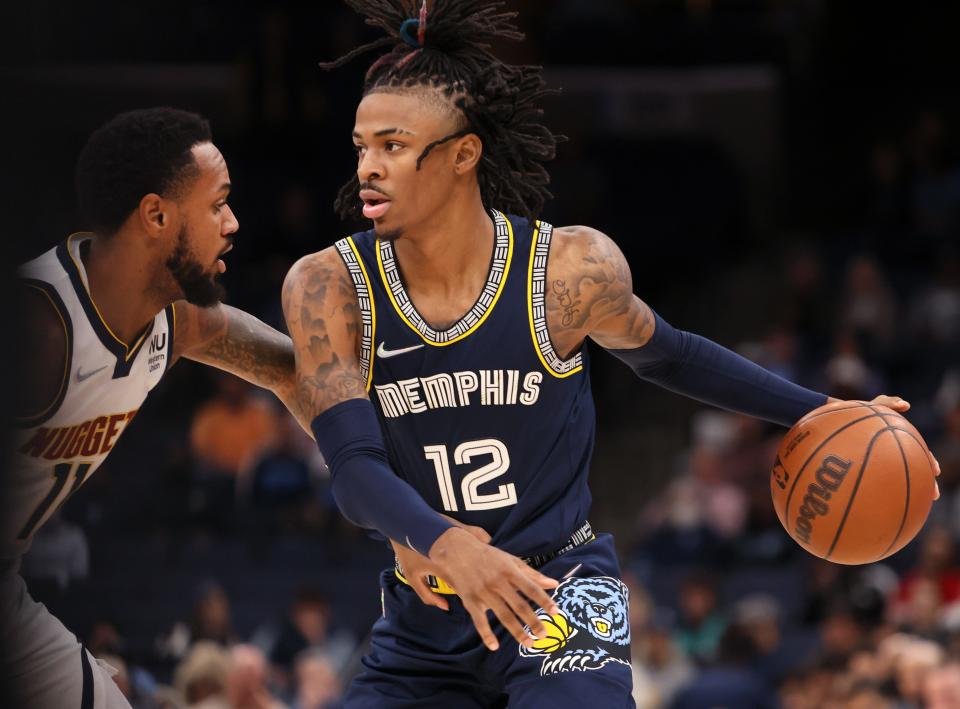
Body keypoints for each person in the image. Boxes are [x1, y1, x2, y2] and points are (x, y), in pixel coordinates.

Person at [282, 1, 936, 705]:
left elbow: (671, 355)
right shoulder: (328, 287)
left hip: (562, 593)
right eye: (361, 147)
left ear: (464, 153)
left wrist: (822, 409)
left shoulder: (565, 270)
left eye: (394, 145)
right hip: (429, 609)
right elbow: (353, 471)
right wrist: (447, 545)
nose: (369, 168)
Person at [2, 107, 306, 709]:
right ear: (156, 215)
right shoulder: (39, 329)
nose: (234, 223)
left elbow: (295, 374)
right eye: (217, 204)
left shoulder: (178, 324)